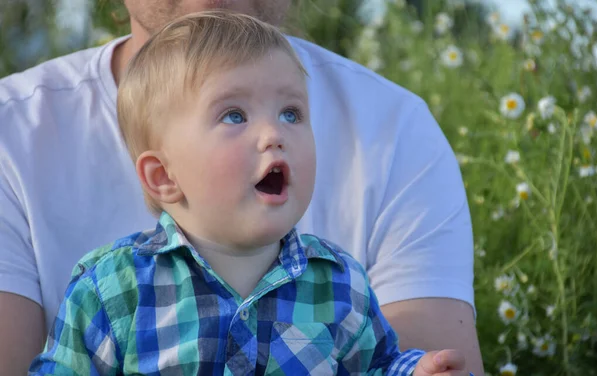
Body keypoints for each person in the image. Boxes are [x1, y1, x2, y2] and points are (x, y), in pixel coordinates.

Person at [0, 1, 483, 375]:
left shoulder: (339, 283)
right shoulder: (112, 290)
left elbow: (374, 362)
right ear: (163, 177)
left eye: (292, 114)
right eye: (234, 116)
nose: (274, 134)